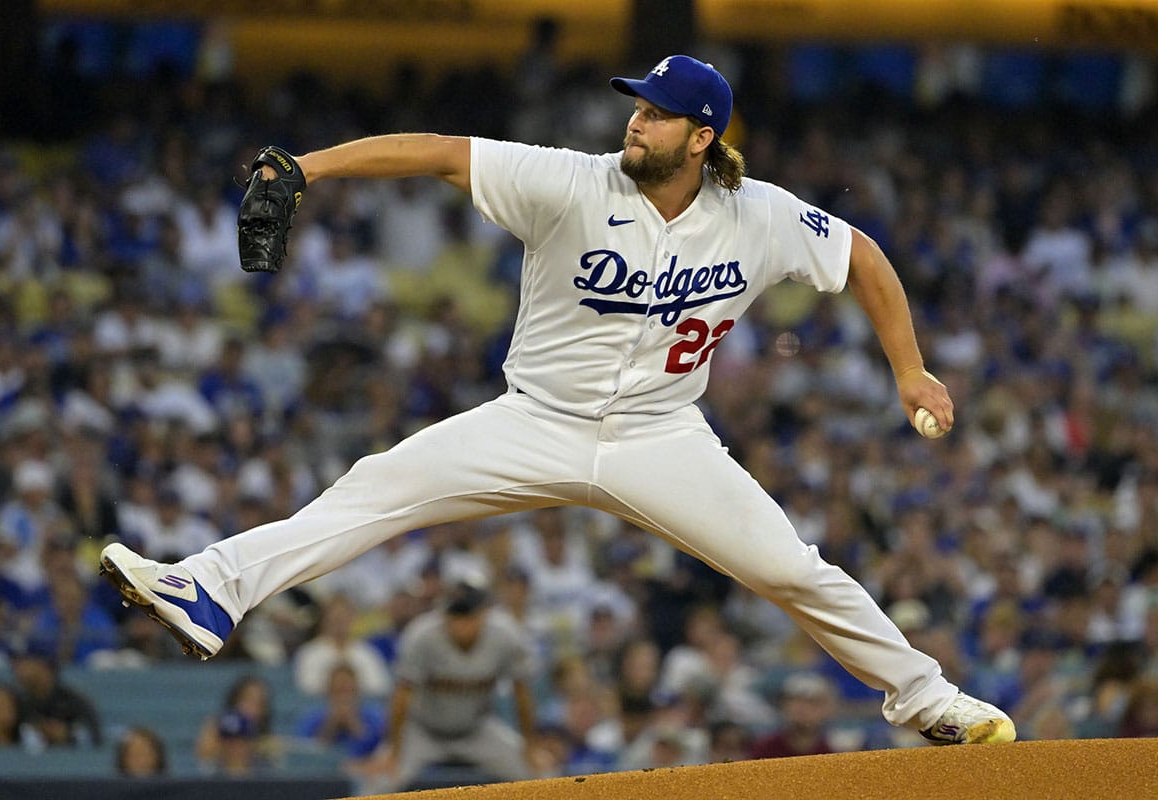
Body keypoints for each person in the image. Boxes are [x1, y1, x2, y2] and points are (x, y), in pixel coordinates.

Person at [101, 54, 1015, 747]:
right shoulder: (572, 181)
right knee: (373, 489)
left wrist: (909, 368)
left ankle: (929, 700)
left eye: (659, 115)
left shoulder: (760, 214)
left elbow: (860, 254)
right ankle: (210, 589)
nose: (638, 123)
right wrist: (308, 167)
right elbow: (436, 154)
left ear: (702, 138)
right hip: (532, 420)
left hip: (661, 436)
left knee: (789, 570)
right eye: (638, 107)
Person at [360, 575, 540, 790]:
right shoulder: (421, 634)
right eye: (455, 615)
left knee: (542, 774)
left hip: (477, 729)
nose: (460, 623)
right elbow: (401, 696)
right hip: (422, 731)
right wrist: (394, 750)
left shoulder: (504, 635)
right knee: (378, 783)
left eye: (468, 615)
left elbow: (521, 692)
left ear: (484, 612)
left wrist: (530, 746)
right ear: (444, 613)